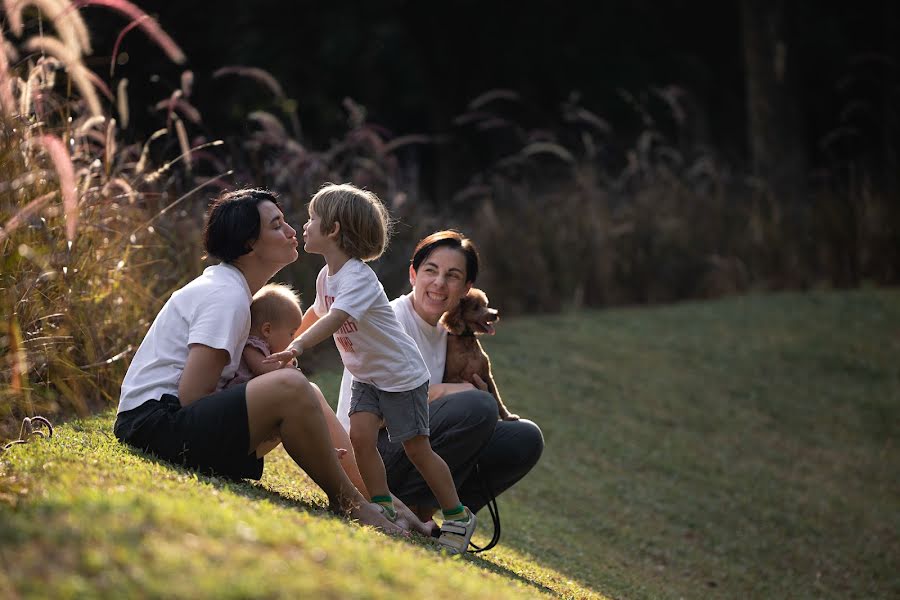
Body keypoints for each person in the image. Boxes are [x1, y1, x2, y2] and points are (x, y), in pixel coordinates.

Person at [112, 188, 402, 533]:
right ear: (250, 243)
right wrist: (273, 414)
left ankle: (388, 504)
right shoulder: (226, 295)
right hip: (155, 425)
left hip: (171, 424)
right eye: (277, 225)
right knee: (291, 386)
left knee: (302, 388)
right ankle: (349, 502)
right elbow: (192, 395)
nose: (293, 231)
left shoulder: (233, 290)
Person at [266, 184, 477, 554]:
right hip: (368, 374)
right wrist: (286, 343)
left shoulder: (359, 278)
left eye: (313, 218)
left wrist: (297, 346)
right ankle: (382, 506)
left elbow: (334, 319)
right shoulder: (325, 277)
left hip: (401, 377)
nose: (305, 224)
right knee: (361, 439)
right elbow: (317, 312)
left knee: (417, 449)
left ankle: (458, 515)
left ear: (333, 230)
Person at [336, 230, 544, 544]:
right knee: (478, 406)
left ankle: (434, 514)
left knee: (524, 437)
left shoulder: (447, 334)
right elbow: (373, 415)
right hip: (370, 454)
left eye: (452, 276)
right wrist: (453, 393)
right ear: (413, 274)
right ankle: (411, 510)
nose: (439, 284)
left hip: (415, 447)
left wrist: (469, 394)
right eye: (430, 271)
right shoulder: (390, 321)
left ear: (466, 289)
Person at [224, 283, 304, 389]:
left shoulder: (265, 348)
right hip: (241, 394)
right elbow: (262, 368)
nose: (293, 339)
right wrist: (287, 370)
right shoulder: (252, 345)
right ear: (267, 330)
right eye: (291, 334)